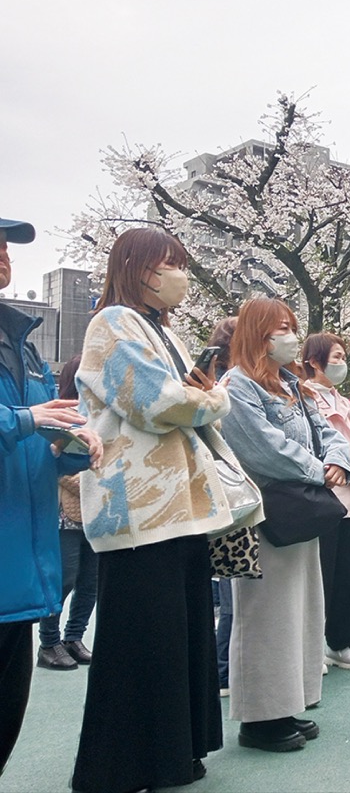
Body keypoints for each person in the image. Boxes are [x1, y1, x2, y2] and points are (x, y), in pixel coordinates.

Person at [73, 227, 239, 790]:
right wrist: (213, 398)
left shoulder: (158, 328)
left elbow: (189, 398)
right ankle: (123, 766)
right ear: (138, 269)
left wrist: (203, 398)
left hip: (175, 505)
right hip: (136, 506)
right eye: (170, 264)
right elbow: (160, 402)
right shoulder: (112, 322)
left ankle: (175, 752)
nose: (180, 275)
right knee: (142, 636)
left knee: (177, 633)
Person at [221, 297, 350, 752]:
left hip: (299, 508)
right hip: (264, 513)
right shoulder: (236, 386)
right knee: (265, 616)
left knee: (300, 610)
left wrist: (336, 460)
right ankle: (259, 717)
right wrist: (320, 470)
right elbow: (262, 447)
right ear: (258, 333)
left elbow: (329, 430)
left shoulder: (290, 383)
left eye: (292, 327)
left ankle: (288, 703)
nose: (292, 337)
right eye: (282, 328)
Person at [0, 216, 100, 774]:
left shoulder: (23, 343)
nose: (3, 254)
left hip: (19, 573)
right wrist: (24, 419)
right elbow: (24, 421)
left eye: (5, 246)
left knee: (7, 715)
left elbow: (41, 438)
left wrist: (75, 444)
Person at [302, 333, 350, 671]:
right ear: (314, 362)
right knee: (320, 578)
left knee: (349, 577)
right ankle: (310, 649)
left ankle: (340, 644)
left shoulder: (343, 402)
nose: (341, 363)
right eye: (335, 357)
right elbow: (318, 447)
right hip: (323, 498)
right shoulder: (302, 397)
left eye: (342, 357)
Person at [35, 356, 97, 672]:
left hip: (95, 516)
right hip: (66, 516)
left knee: (90, 582)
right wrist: (93, 480)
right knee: (64, 579)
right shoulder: (60, 415)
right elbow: (56, 465)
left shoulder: (95, 415)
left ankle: (74, 637)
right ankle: (48, 642)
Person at [207, 317, 238, 696]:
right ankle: (223, 670)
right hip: (230, 496)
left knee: (232, 591)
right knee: (232, 594)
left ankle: (224, 668)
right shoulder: (226, 385)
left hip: (229, 496)